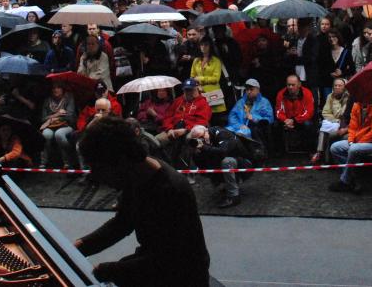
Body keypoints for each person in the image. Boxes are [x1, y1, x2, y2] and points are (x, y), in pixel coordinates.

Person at [74, 117, 210, 287]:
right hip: (159, 263)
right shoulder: (139, 175)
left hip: (183, 276)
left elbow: (170, 260)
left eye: (98, 168)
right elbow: (123, 223)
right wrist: (79, 246)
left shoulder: (169, 191)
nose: (96, 176)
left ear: (120, 160)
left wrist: (111, 270)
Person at [190, 124, 256, 208]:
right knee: (201, 156)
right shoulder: (207, 138)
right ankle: (226, 184)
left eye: (201, 137)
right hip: (233, 164)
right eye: (197, 139)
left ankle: (234, 197)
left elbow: (223, 151)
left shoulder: (222, 133)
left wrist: (204, 147)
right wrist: (197, 152)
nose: (200, 140)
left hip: (245, 164)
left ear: (206, 131)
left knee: (226, 161)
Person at [328, 100, 372, 193]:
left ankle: (345, 181)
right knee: (335, 147)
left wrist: (357, 143)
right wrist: (350, 141)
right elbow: (352, 127)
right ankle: (353, 177)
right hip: (357, 140)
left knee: (354, 149)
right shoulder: (356, 106)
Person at [273, 75, 315, 154]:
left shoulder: (307, 93)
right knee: (275, 125)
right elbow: (278, 111)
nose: (290, 87)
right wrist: (285, 120)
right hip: (286, 121)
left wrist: (294, 120)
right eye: (289, 85)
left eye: (293, 85)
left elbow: (309, 112)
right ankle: (279, 152)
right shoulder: (281, 94)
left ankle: (310, 151)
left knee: (309, 124)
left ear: (299, 84)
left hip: (300, 120)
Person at [39, 81, 77, 168]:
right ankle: (43, 162)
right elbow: (43, 118)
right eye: (53, 88)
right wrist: (57, 115)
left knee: (59, 134)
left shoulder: (68, 98)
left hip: (66, 125)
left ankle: (68, 161)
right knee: (46, 135)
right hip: (50, 126)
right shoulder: (47, 100)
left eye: (58, 87)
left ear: (62, 89)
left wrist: (53, 118)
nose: (56, 90)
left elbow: (70, 115)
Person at [311, 77, 350, 164]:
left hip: (344, 125)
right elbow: (325, 112)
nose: (337, 87)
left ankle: (320, 155)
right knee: (323, 130)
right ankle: (322, 157)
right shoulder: (330, 96)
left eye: (340, 85)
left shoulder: (348, 98)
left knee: (325, 133)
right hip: (334, 123)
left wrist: (336, 102)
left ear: (344, 87)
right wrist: (335, 120)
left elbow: (342, 114)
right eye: (335, 85)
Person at [226, 78, 273, 143]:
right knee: (225, 132)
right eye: (247, 89)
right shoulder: (241, 102)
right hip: (239, 128)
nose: (248, 92)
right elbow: (232, 116)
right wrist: (240, 125)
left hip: (255, 130)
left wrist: (253, 118)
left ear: (258, 90)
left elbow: (269, 119)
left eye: (251, 89)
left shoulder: (264, 102)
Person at [190, 37, 226, 117]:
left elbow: (216, 79)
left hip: (212, 92)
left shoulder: (216, 60)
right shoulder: (196, 60)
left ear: (210, 47)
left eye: (206, 45)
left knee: (215, 117)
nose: (203, 47)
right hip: (199, 92)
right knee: (202, 116)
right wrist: (197, 85)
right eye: (201, 45)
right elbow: (192, 76)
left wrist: (200, 79)